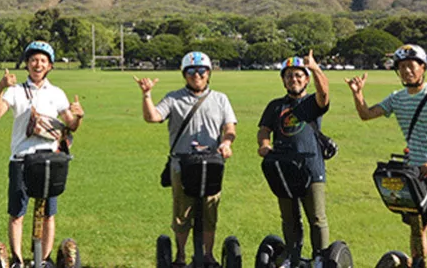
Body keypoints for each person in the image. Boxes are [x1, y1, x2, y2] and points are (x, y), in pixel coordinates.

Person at [345, 44, 427, 268]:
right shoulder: (397, 98)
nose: (407, 71)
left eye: (411, 66)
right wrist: (358, 94)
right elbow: (367, 114)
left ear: (423, 68)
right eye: (401, 67)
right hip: (413, 174)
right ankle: (420, 264)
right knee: (418, 227)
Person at [135, 51, 237, 268]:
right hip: (182, 164)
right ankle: (180, 258)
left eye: (202, 71)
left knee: (210, 211)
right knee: (182, 213)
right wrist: (146, 95)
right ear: (185, 74)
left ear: (209, 73)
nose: (197, 75)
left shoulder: (220, 99)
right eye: (191, 71)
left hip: (212, 163)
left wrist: (227, 143)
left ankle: (208, 256)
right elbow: (152, 117)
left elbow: (229, 127)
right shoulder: (174, 98)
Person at [0, 41, 84, 268]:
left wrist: (78, 116)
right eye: (33, 60)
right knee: (17, 213)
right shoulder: (15, 91)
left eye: (43, 60)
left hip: (50, 160)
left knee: (49, 214)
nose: (37, 64)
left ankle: (44, 260)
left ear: (50, 65)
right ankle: (18, 261)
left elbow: (70, 124)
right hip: (21, 159)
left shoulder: (57, 93)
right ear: (27, 64)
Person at [256, 50, 331, 263]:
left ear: (306, 79)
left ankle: (320, 258)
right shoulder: (275, 106)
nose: (294, 79)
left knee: (316, 218)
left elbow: (324, 94)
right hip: (283, 168)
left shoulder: (311, 103)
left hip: (311, 166)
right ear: (283, 80)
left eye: (299, 75)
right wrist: (264, 144)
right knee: (289, 218)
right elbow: (264, 129)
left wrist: (315, 68)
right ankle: (292, 257)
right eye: (289, 76)